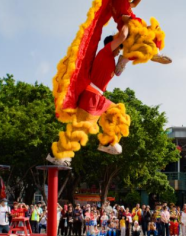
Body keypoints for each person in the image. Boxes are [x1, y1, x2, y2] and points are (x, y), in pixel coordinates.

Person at [47, 26, 130, 166]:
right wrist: (127, 22)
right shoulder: (105, 52)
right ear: (112, 44)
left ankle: (106, 142)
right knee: (81, 129)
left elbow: (118, 71)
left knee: (118, 113)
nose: (118, 51)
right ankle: (54, 154)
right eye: (118, 48)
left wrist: (127, 57)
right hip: (90, 96)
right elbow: (122, 36)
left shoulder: (111, 60)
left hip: (99, 97)